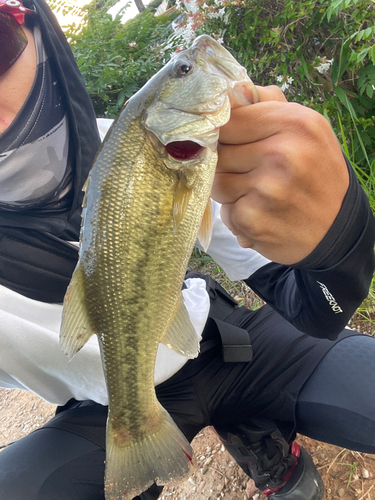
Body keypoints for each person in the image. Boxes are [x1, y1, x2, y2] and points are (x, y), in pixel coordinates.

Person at [0, 1, 374, 499]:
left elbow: (313, 308)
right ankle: (202, 429)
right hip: (107, 403)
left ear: (37, 28)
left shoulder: (137, 141)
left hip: (219, 336)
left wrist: (340, 237)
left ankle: (257, 435)